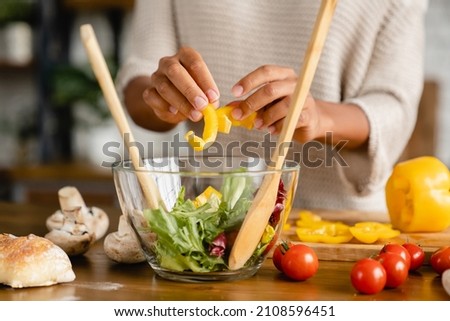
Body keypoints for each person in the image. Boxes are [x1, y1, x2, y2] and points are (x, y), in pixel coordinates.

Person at [116, 0, 428, 214]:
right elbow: (138, 79)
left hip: (337, 222)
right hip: (210, 219)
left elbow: (394, 105)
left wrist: (320, 118)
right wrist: (162, 96)